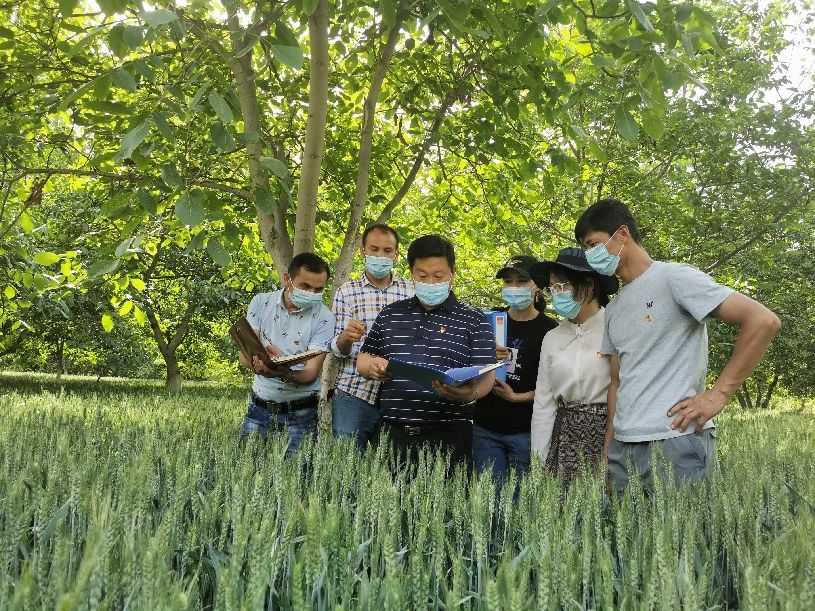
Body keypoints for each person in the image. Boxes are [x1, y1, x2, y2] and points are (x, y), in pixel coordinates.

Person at [573, 199, 781, 491]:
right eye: (585, 248)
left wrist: (717, 395)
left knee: (687, 523)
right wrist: (610, 443)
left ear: (622, 234)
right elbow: (617, 381)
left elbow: (762, 321)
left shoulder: (674, 277)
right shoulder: (614, 308)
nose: (590, 255)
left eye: (593, 244)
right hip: (624, 446)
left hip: (675, 440)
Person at [357, 235, 497, 467]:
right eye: (422, 276)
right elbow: (364, 357)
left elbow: (487, 375)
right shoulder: (390, 314)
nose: (430, 282)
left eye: (439, 276)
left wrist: (469, 395)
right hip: (392, 435)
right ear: (411, 272)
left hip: (449, 437)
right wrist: (371, 367)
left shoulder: (474, 319)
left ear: (453, 273)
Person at [529, 248, 619, 487]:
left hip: (607, 432)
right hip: (564, 435)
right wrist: (538, 461)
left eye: (563, 286)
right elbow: (544, 403)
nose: (557, 294)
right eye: (552, 288)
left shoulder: (614, 327)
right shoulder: (552, 338)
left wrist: (612, 448)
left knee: (606, 505)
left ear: (589, 285)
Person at [239, 253, 336, 454]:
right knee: (245, 469)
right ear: (287, 279)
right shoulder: (260, 303)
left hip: (301, 414)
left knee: (299, 473)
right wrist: (261, 360)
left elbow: (310, 374)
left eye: (319, 289)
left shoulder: (325, 318)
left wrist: (282, 372)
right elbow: (244, 357)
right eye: (305, 286)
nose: (312, 293)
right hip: (258, 407)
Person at [472, 255, 557, 485]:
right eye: (508, 281)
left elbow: (554, 387)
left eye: (521, 281)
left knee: (522, 500)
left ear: (536, 285)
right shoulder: (489, 320)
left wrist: (516, 397)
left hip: (525, 431)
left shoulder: (550, 329)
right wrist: (484, 355)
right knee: (487, 500)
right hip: (486, 427)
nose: (514, 287)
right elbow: (469, 365)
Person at [330, 224, 414, 449]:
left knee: (395, 463)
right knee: (346, 462)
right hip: (354, 392)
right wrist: (346, 337)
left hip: (400, 394)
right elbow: (338, 351)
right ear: (363, 251)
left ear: (396, 254)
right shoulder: (346, 292)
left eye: (387, 251)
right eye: (374, 249)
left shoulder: (411, 291)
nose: (380, 256)